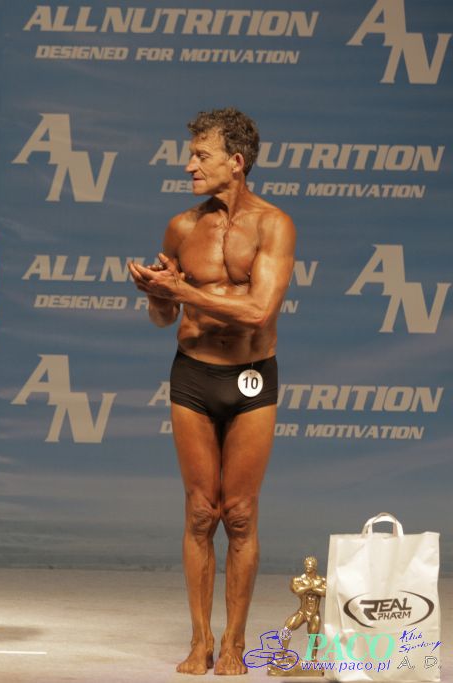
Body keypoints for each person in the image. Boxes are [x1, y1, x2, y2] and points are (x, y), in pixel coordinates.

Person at [128, 108, 295, 675]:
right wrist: (158, 294)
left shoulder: (273, 225)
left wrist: (184, 293)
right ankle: (200, 640)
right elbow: (163, 318)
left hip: (251, 378)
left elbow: (259, 310)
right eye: (191, 155)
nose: (189, 166)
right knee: (201, 511)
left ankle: (234, 643)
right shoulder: (181, 227)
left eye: (202, 156)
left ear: (236, 162)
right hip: (194, 376)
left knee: (240, 513)